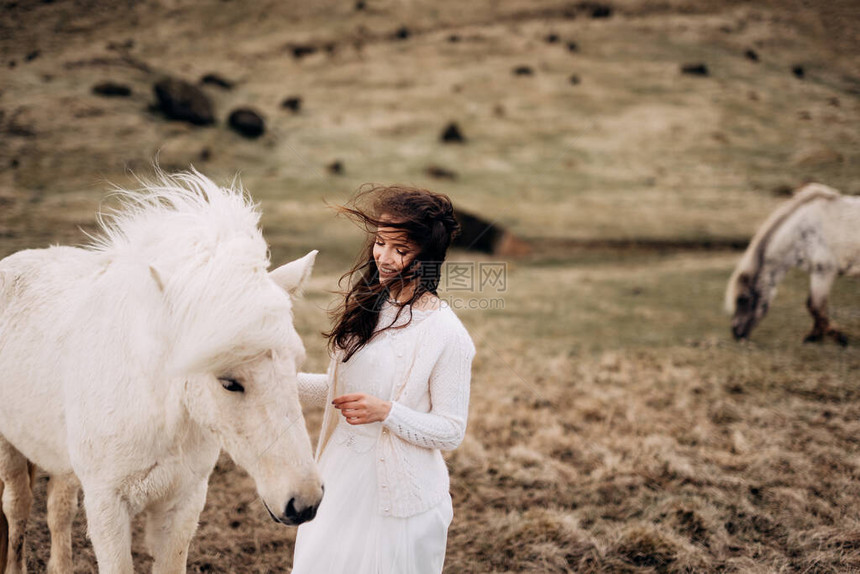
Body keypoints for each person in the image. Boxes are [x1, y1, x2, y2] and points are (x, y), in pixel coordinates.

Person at [291, 184, 476, 574]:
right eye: (380, 243)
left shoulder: (447, 333)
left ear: (427, 258)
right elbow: (340, 394)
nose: (384, 258)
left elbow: (450, 431)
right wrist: (280, 384)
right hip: (338, 475)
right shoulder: (370, 307)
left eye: (401, 249)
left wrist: (388, 412)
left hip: (399, 500)